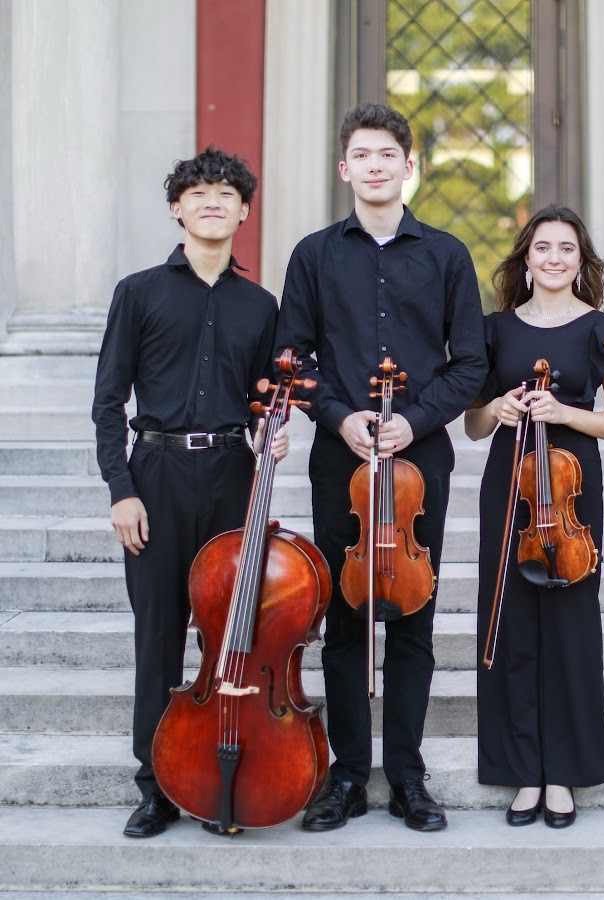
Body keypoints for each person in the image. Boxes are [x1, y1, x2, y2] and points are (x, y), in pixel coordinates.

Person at [274, 102, 487, 832]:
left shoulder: (448, 254)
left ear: (407, 166)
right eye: (360, 155)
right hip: (343, 460)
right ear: (345, 168)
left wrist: (413, 419)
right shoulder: (312, 254)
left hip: (420, 459)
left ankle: (407, 778)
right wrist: (341, 416)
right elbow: (293, 359)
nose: (373, 165)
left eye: (386, 155)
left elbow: (473, 365)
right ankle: (345, 776)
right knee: (343, 617)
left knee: (413, 619)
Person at [92, 147, 288, 838]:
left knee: (230, 639)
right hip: (156, 476)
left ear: (242, 211)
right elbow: (108, 399)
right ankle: (155, 786)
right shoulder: (139, 292)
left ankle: (218, 779)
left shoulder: (260, 305)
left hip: (232, 476)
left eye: (226, 193)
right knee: (159, 638)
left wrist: (272, 431)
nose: (212, 202)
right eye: (198, 192)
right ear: (177, 207)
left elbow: (268, 397)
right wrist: (122, 490)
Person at [465, 205, 604, 828]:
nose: (555, 258)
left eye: (567, 249)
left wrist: (564, 413)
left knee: (568, 626)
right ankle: (520, 771)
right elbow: (474, 423)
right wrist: (501, 410)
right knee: (507, 625)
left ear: (581, 261)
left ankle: (563, 772)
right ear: (526, 259)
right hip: (508, 484)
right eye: (544, 248)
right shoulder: (495, 331)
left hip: (570, 493)